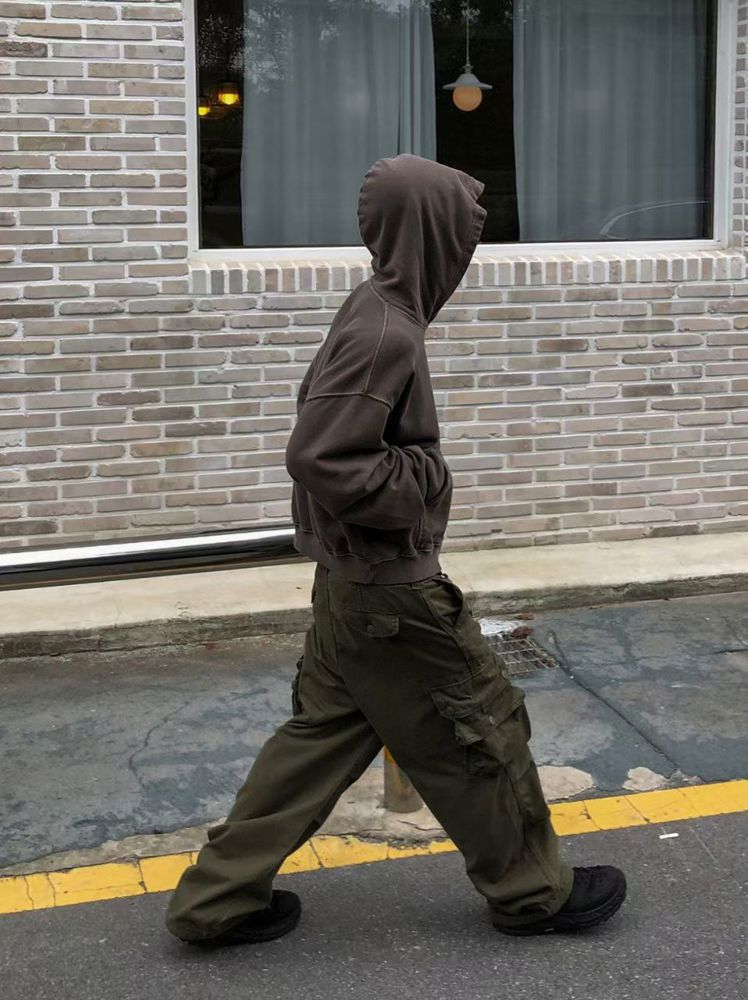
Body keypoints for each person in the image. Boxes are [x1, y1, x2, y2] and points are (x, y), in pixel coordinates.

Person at [165, 153, 626, 947]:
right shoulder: (388, 330)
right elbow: (321, 454)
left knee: (316, 743)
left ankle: (217, 900)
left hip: (351, 588)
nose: (468, 249)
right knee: (481, 731)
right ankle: (533, 893)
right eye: (464, 232)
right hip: (390, 594)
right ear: (433, 234)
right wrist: (424, 480)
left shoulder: (376, 306)